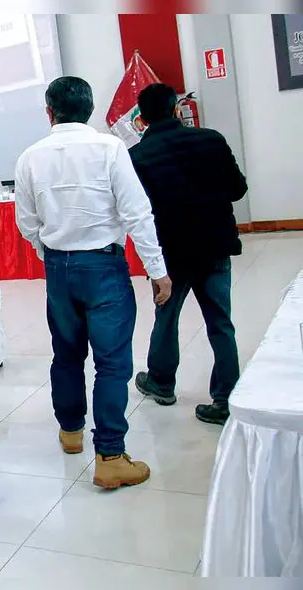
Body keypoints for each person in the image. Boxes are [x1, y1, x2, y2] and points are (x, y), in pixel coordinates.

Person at [15, 76, 173, 490]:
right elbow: (138, 213)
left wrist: (49, 256)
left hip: (58, 268)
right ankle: (110, 455)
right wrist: (158, 270)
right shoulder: (110, 148)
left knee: (66, 354)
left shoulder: (30, 155)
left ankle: (70, 433)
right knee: (112, 363)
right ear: (89, 108)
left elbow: (26, 223)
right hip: (103, 266)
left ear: (50, 112)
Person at [129, 83, 247, 425]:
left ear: (142, 119)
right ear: (176, 110)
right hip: (215, 246)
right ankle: (225, 398)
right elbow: (238, 190)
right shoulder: (211, 139)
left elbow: (139, 211)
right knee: (220, 323)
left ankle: (162, 382)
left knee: (167, 318)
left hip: (171, 254)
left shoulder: (137, 156)